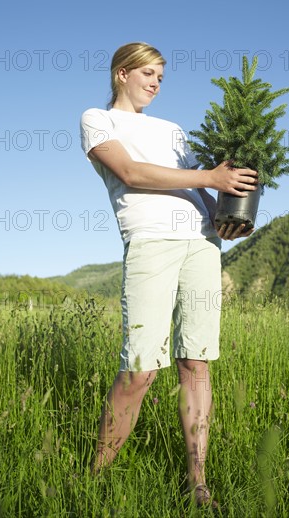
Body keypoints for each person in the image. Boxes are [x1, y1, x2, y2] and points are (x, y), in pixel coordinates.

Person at [80, 42, 258, 508]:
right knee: (140, 370)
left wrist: (225, 217)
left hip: (201, 245)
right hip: (150, 244)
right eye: (149, 73)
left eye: (162, 76)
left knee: (196, 363)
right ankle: (92, 481)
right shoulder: (98, 120)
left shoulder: (174, 128)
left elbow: (197, 188)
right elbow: (133, 173)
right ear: (122, 74)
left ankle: (198, 483)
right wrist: (209, 179)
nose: (157, 83)